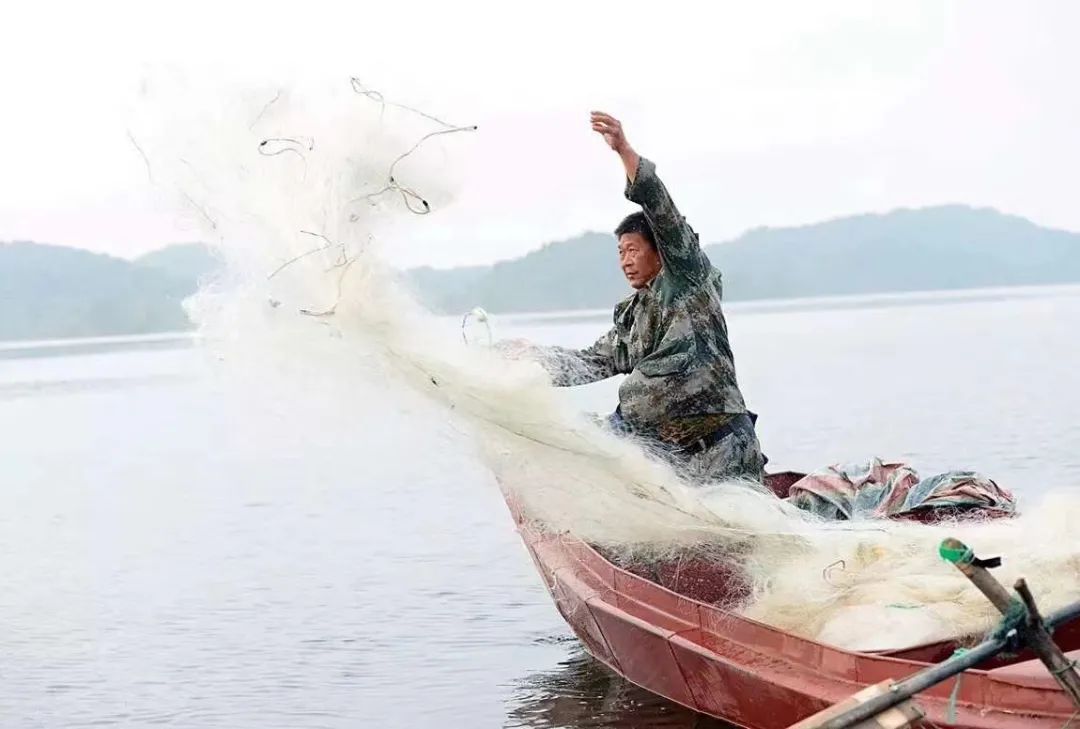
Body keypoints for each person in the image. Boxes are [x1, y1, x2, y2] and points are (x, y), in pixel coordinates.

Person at [505, 112, 766, 484]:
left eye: (632, 250)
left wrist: (624, 152)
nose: (625, 260)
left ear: (660, 252)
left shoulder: (688, 281)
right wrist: (529, 360)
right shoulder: (633, 318)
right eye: (620, 252)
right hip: (671, 459)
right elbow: (590, 362)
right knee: (578, 438)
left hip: (722, 452)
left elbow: (664, 214)